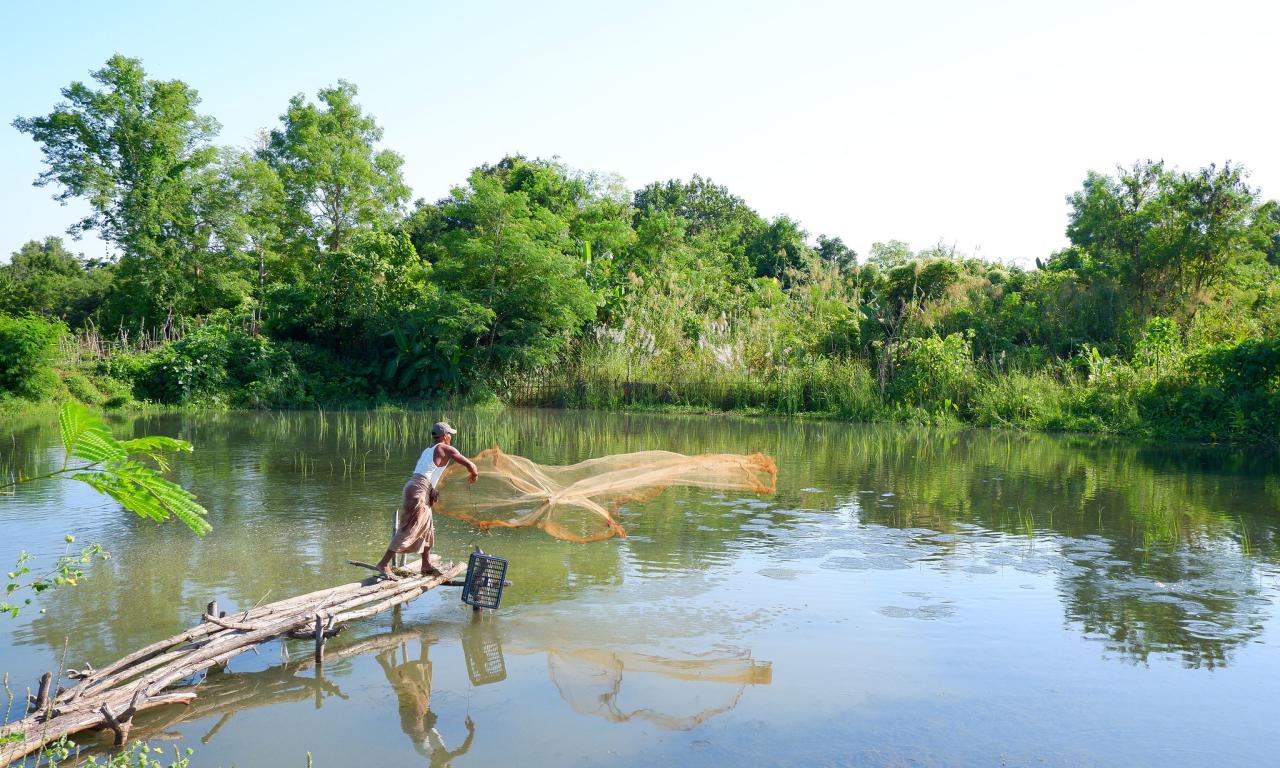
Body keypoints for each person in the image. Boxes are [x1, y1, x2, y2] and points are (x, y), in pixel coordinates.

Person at [376, 421, 478, 578]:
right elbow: (471, 465)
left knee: (427, 526)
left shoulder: (428, 450)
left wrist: (432, 491)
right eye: (449, 434)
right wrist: (474, 473)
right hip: (418, 490)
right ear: (444, 436)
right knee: (409, 528)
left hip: (416, 487)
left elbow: (427, 473)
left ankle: (426, 564)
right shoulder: (445, 448)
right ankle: (383, 564)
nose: (451, 437)